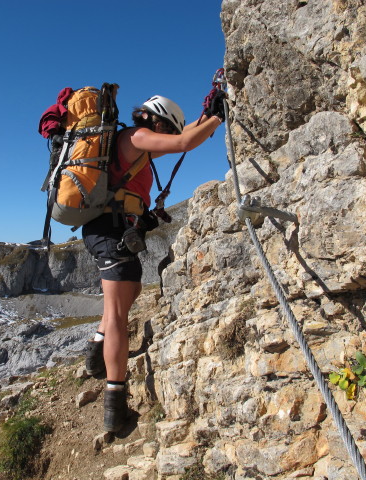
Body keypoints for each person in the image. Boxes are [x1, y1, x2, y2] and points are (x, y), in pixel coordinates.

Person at [82, 92, 226, 432]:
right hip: (110, 230)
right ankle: (114, 405)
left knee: (129, 292)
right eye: (167, 127)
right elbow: (185, 141)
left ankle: (96, 352)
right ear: (158, 122)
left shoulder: (138, 144)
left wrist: (207, 112)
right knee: (117, 311)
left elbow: (184, 136)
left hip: (116, 228)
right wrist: (219, 117)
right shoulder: (135, 137)